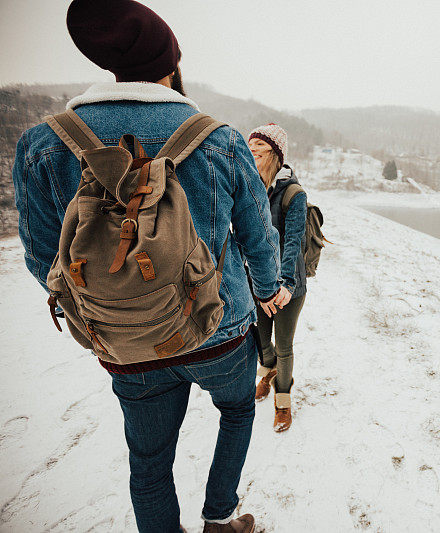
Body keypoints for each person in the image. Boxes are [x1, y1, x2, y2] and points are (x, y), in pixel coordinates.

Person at [12, 1, 282, 531]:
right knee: (238, 411)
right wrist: (271, 288)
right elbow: (258, 238)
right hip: (219, 330)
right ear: (171, 65)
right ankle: (221, 520)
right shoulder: (220, 138)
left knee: (149, 458)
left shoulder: (44, 144)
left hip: (125, 341)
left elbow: (43, 258)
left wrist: (102, 310)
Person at [247, 124, 308, 432]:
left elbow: (292, 242)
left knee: (283, 346)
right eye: (249, 152)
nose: (250, 158)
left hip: (287, 287)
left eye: (256, 153)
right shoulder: (250, 187)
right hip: (257, 282)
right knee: (259, 337)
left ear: (273, 156)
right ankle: (267, 372)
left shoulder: (293, 194)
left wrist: (285, 283)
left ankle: (283, 399)